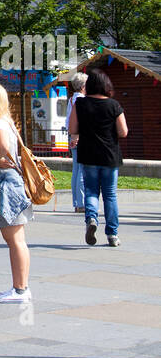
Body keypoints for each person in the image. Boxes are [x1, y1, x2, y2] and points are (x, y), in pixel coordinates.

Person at [0, 82, 33, 303]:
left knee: (14, 239)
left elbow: (0, 145)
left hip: (7, 183)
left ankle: (20, 289)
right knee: (17, 239)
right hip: (12, 182)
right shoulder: (7, 121)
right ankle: (21, 287)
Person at [69, 68, 128, 247]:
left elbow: (72, 129)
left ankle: (92, 219)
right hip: (110, 155)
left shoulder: (80, 104)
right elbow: (123, 131)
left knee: (91, 191)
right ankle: (112, 234)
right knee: (110, 195)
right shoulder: (114, 105)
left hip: (88, 154)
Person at [66, 72, 88, 213]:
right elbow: (81, 121)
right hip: (80, 137)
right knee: (82, 170)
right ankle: (81, 202)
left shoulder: (71, 100)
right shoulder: (82, 101)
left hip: (72, 136)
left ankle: (76, 201)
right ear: (83, 86)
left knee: (76, 169)